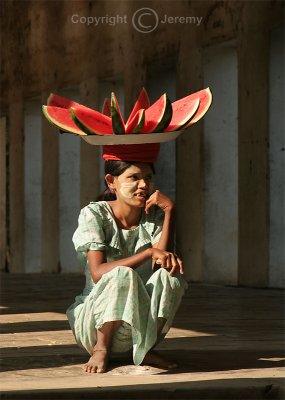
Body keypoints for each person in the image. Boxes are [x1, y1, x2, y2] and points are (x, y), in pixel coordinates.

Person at [66, 144, 188, 374]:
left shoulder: (155, 215)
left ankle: (145, 348)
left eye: (148, 178)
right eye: (134, 177)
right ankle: (101, 349)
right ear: (111, 181)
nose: (144, 185)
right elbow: (98, 272)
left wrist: (170, 210)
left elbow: (159, 265)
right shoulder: (94, 214)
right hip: (95, 323)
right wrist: (148, 252)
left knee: (170, 276)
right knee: (122, 274)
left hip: (140, 326)